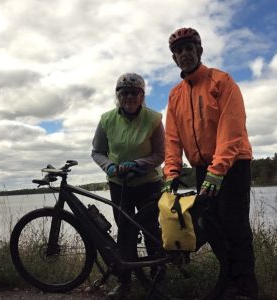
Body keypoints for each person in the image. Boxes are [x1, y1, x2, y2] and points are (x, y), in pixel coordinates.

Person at [163, 27, 258, 299]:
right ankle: (228, 281)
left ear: (199, 51)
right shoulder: (175, 95)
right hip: (203, 167)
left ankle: (247, 288)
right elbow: (172, 138)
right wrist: (171, 172)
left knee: (235, 225)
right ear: (174, 59)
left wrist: (218, 172)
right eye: (178, 51)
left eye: (188, 49)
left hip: (234, 164)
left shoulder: (221, 81)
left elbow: (232, 128)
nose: (184, 55)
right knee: (211, 226)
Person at [91, 73, 165, 299]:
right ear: (118, 96)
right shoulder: (106, 119)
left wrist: (138, 164)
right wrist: (110, 167)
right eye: (125, 93)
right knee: (124, 232)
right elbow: (97, 152)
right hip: (119, 184)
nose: (130, 97)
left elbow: (160, 154)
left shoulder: (154, 119)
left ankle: (156, 278)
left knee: (152, 230)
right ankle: (125, 282)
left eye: (135, 93)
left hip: (148, 183)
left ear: (142, 96)